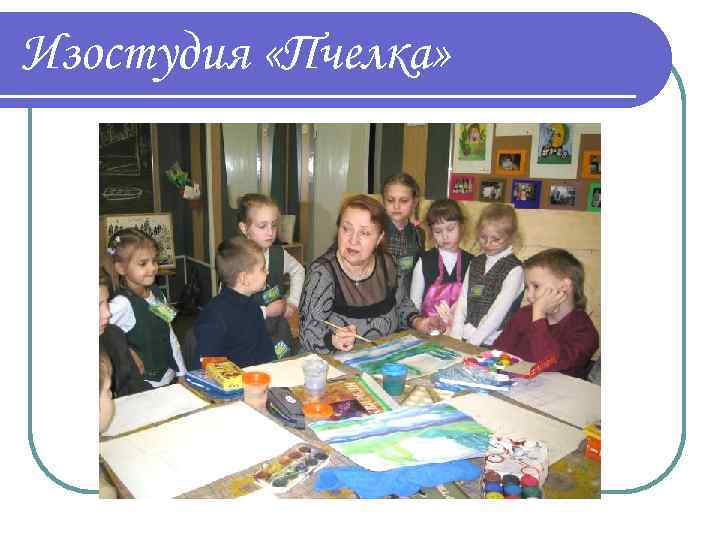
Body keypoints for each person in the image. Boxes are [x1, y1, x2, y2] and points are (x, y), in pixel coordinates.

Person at [299, 195, 438, 354]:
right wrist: (333, 340)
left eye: (364, 233)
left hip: (382, 357)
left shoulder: (388, 264)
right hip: (334, 362)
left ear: (379, 238)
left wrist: (419, 322)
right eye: (346, 229)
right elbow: (307, 333)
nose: (353, 240)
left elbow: (401, 306)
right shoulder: (322, 273)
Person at [494, 248, 599, 378]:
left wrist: (539, 315)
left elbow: (547, 362)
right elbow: (498, 352)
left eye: (536, 286)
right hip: (512, 384)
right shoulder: (524, 314)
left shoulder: (584, 332)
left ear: (564, 286)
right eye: (527, 288)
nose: (529, 296)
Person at [105, 228, 185, 388]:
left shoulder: (157, 294)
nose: (153, 268)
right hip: (143, 384)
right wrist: (126, 350)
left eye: (154, 261)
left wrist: (182, 373)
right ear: (121, 268)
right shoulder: (122, 304)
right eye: (143, 263)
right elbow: (102, 334)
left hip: (168, 376)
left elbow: (169, 334)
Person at [237, 193, 305, 359]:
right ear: (244, 228)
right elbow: (229, 308)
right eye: (262, 226)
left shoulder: (278, 254)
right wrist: (265, 311)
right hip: (248, 333)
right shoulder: (235, 259)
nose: (270, 232)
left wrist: (293, 302)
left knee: (282, 366)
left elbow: (298, 271)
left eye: (273, 225)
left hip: (278, 331)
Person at [193, 236, 276, 368]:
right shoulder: (214, 316)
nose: (267, 272)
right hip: (231, 380)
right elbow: (206, 367)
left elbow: (267, 353)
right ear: (244, 278)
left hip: (258, 376)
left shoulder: (254, 308)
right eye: (262, 268)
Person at [450, 203, 524, 346]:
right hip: (465, 336)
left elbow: (497, 313)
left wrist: (472, 343)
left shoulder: (515, 269)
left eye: (496, 239)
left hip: (493, 341)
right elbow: (463, 301)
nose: (488, 244)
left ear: (510, 237)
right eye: (483, 237)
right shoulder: (475, 262)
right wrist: (455, 337)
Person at [410, 199, 473, 329]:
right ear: (431, 232)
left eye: (450, 229)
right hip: (429, 331)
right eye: (438, 231)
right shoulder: (424, 262)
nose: (445, 236)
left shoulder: (472, 262)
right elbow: (414, 305)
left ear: (461, 227)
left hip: (461, 331)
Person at [99, 267, 149, 397]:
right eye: (98, 305)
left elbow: (135, 384)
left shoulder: (114, 334)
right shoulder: (124, 301)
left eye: (107, 302)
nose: (108, 313)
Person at [381, 173, 426, 295]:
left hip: (407, 296)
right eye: (390, 200)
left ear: (414, 203)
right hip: (378, 296)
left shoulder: (419, 234)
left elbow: (419, 272)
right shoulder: (375, 231)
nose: (396, 206)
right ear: (383, 201)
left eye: (404, 201)